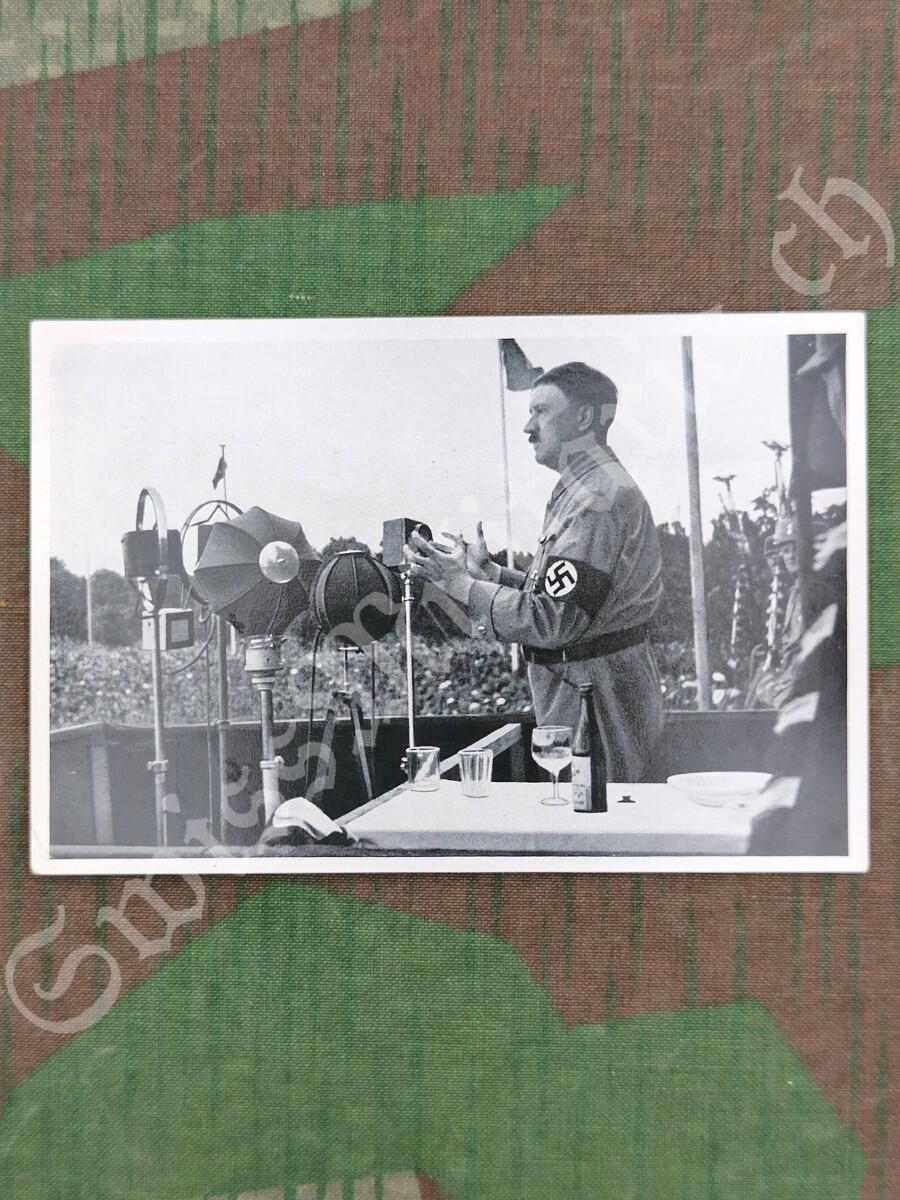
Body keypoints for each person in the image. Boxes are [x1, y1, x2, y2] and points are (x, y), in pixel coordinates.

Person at [405, 361, 664, 782]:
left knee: (596, 811)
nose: (528, 427)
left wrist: (461, 585)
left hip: (596, 701)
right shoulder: (585, 488)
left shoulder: (597, 497)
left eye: (541, 411)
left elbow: (557, 620)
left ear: (584, 417)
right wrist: (491, 574)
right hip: (590, 691)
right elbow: (565, 598)